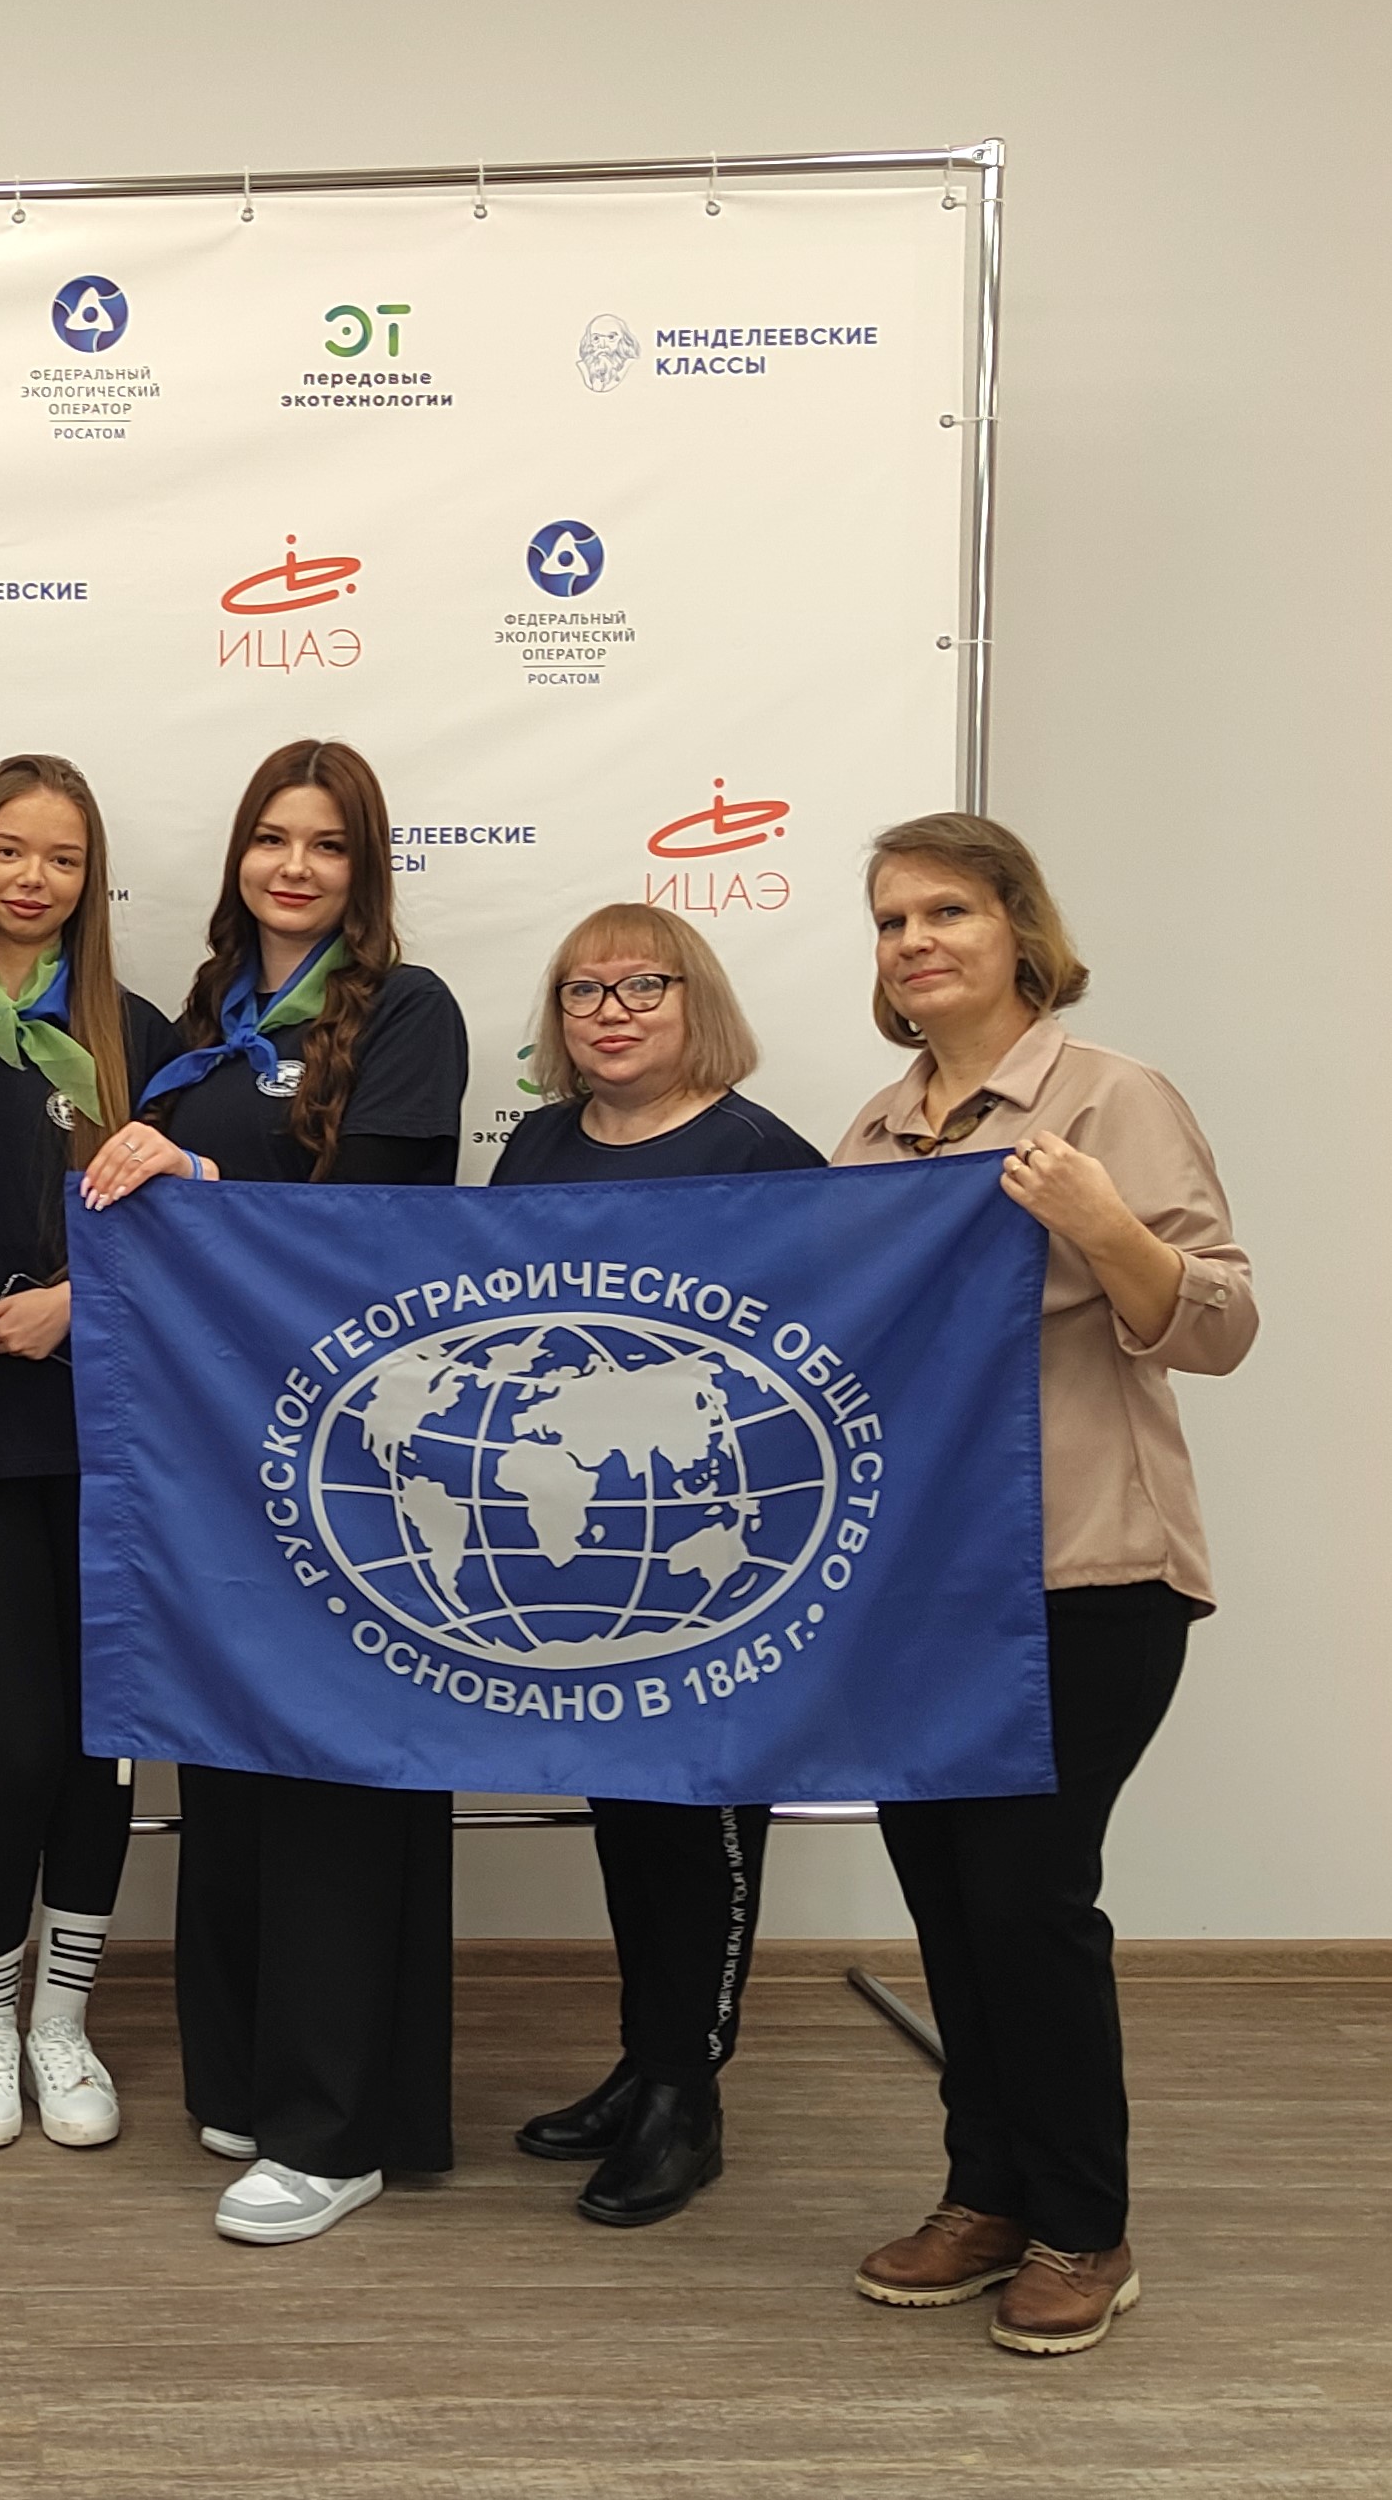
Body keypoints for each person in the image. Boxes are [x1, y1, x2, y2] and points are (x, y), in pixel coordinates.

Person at [832, 813, 1253, 2359]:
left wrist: (1098, 1222)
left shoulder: (1111, 1099)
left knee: (1025, 1898)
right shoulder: (871, 1134)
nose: (913, 942)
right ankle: (985, 2194)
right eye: (890, 920)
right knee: (949, 1905)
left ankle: (1084, 2224)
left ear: (1017, 926)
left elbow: (1218, 1327)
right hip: (917, 1596)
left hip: (1085, 1571)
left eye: (945, 910)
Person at [78, 737, 469, 2246]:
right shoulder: (203, 1023)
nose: (292, 866)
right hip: (223, 1461)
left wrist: (203, 1192)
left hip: (361, 1461)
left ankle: (336, 2127)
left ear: (364, 872)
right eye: (270, 838)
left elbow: (384, 1235)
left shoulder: (407, 1011)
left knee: (335, 1778)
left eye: (326, 844)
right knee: (231, 1763)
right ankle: (247, 2075)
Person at [491, 903, 823, 2227]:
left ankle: (690, 2097)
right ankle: (645, 2059)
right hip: (589, 1548)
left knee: (705, 1822)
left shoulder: (761, 1155)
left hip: (714, 1553)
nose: (611, 1011)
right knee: (628, 1816)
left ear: (698, 1002)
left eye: (643, 985)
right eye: (583, 991)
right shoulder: (535, 1147)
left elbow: (829, 1345)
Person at [0, 755, 178, 2152]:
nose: (33, 879)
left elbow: (190, 1233)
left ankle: (61, 2024)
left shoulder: (134, 1029)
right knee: (17, 1744)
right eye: (10, 851)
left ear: (91, 881)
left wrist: (84, 1299)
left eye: (62, 858)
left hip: (114, 1436)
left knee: (102, 1747)